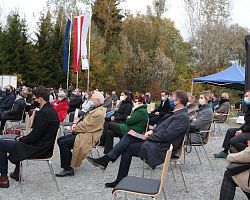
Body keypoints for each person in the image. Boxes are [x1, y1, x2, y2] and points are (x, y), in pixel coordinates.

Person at [87, 90, 190, 188]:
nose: (170, 100)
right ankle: (106, 161)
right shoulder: (178, 114)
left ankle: (112, 169)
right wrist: (152, 131)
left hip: (160, 147)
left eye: (173, 98)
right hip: (156, 141)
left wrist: (150, 135)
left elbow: (167, 135)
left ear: (178, 101)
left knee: (127, 149)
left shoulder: (182, 117)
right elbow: (164, 130)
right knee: (128, 135)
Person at [0, 86, 60, 188]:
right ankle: (16, 172)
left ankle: (4, 178)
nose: (34, 101)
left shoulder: (44, 113)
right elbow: (36, 135)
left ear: (40, 99)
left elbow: (33, 137)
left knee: (1, 144)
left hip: (39, 148)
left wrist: (20, 138)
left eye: (35, 98)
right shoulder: (51, 111)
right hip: (44, 146)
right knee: (11, 142)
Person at [55, 91, 107, 177]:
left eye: (92, 99)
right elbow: (85, 123)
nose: (91, 100)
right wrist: (75, 126)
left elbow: (87, 125)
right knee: (60, 140)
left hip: (89, 135)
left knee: (64, 143)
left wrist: (75, 128)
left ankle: (68, 169)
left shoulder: (99, 112)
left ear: (97, 100)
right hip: (85, 132)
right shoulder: (96, 108)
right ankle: (69, 160)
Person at [214, 91, 250, 158]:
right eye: (245, 96)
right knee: (230, 131)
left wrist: (242, 131)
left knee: (233, 141)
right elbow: (247, 123)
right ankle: (225, 152)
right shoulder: (248, 107)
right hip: (247, 129)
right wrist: (240, 129)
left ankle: (246, 153)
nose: (245, 98)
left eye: (247, 96)